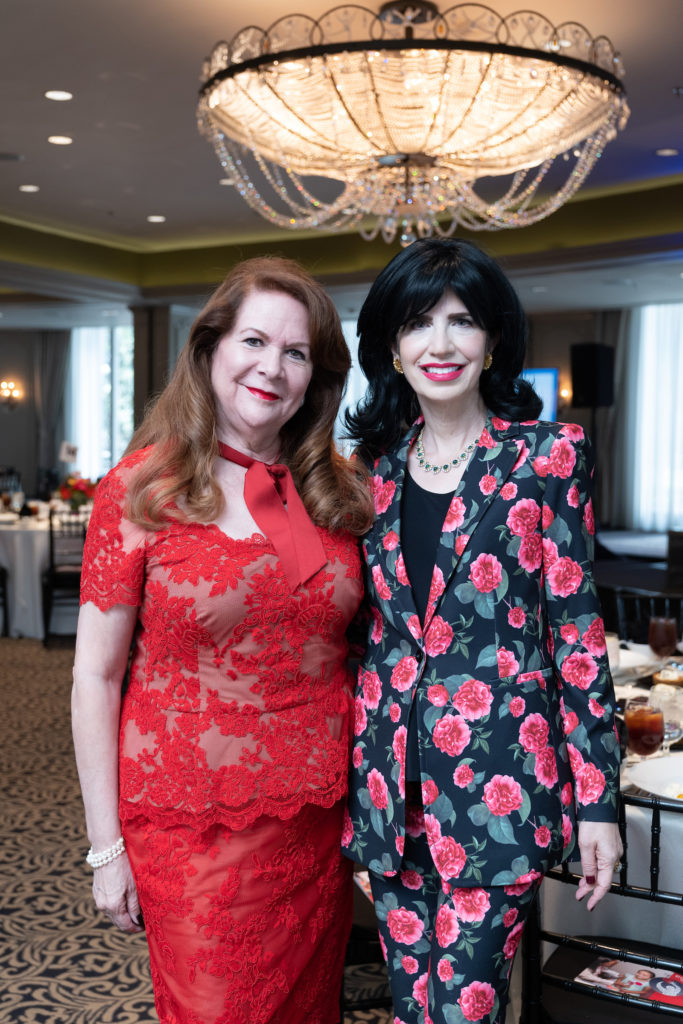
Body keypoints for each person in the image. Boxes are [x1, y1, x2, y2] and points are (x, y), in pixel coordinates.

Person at [71, 256, 374, 1024]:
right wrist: (106, 849)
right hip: (189, 828)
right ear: (209, 349)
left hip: (315, 827)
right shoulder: (140, 488)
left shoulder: (340, 492)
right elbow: (96, 678)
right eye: (253, 341)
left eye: (296, 352)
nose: (271, 367)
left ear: (315, 376)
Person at [342, 238, 622, 1024]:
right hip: (386, 797)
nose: (440, 344)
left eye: (461, 321)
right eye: (417, 323)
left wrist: (596, 803)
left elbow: (575, 633)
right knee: (409, 1005)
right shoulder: (367, 473)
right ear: (390, 348)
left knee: (462, 1009)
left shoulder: (547, 458)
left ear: (492, 339)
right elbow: (360, 640)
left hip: (499, 788)